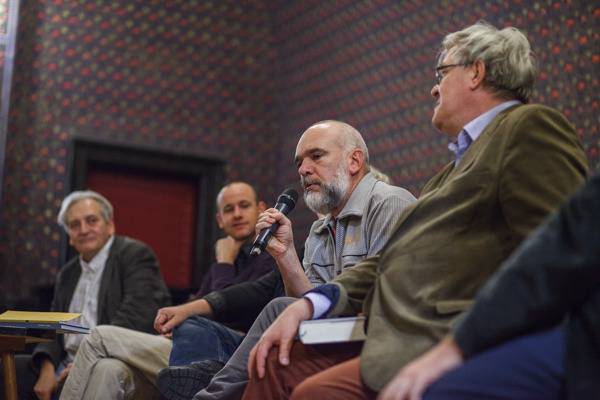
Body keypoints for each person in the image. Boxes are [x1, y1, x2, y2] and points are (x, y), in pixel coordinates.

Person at [241, 22, 589, 400]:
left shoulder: (528, 127)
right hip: (391, 334)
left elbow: (561, 252)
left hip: (448, 335)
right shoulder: (447, 174)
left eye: (442, 73)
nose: (433, 89)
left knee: (314, 392)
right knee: (271, 361)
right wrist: (311, 303)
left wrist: (462, 343)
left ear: (476, 72)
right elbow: (388, 261)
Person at [179, 120, 417, 400]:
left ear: (354, 161)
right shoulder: (320, 229)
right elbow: (307, 304)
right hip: (334, 335)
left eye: (316, 156)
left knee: (277, 312)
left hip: (382, 340)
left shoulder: (389, 203)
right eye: (299, 162)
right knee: (271, 356)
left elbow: (383, 299)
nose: (303, 170)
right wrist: (286, 255)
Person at [378, 173, 600, 400]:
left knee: (432, 392)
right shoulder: (440, 178)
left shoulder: (389, 200)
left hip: (470, 321)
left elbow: (557, 247)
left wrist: (459, 343)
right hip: (411, 325)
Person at [58, 181, 275, 400]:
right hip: (183, 342)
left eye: (244, 206)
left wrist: (224, 263)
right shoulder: (223, 260)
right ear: (220, 220)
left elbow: (231, 309)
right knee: (108, 369)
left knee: (97, 337)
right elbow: (197, 306)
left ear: (261, 209)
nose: (237, 214)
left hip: (219, 351)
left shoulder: (271, 257)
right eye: (229, 209)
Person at [2, 190, 171, 400]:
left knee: (103, 371)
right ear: (69, 237)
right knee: (11, 366)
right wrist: (47, 368)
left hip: (111, 358)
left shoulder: (134, 255)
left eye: (91, 221)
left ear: (110, 225)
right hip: (64, 361)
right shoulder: (68, 273)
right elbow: (53, 326)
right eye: (74, 225)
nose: (83, 230)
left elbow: (137, 316)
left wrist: (83, 363)